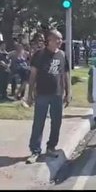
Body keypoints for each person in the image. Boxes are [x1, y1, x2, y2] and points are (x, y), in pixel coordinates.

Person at [26, 29, 71, 164]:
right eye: (57, 39)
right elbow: (33, 75)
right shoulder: (39, 55)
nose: (59, 41)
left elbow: (66, 75)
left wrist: (69, 93)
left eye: (61, 39)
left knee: (56, 122)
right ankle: (35, 150)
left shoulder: (62, 55)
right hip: (42, 94)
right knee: (38, 122)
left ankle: (51, 147)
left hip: (57, 94)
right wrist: (29, 94)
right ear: (49, 40)